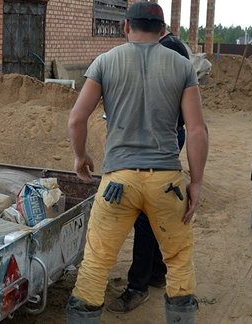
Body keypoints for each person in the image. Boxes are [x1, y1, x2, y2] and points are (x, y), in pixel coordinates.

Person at [65, 2, 208, 324]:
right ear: (162, 30)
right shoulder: (182, 65)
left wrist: (80, 156)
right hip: (166, 182)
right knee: (179, 259)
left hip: (118, 181)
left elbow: (76, 119)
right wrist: (196, 182)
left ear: (126, 27)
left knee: (97, 262)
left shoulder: (105, 62)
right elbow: (197, 129)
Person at [106, 29, 191, 314]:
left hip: (157, 142)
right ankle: (155, 273)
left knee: (144, 212)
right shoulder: (172, 48)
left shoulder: (168, 52)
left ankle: (137, 286)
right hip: (161, 138)